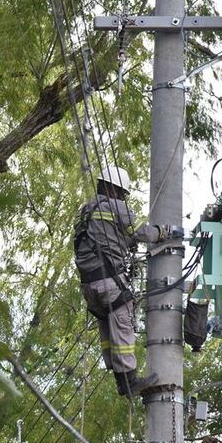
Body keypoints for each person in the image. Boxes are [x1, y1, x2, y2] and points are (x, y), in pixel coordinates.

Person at [73, 165, 179, 397]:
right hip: (108, 281)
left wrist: (124, 242)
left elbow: (101, 236)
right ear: (113, 189)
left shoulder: (85, 210)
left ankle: (118, 374)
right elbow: (143, 232)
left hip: (88, 286)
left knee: (106, 323)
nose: (122, 198)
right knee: (122, 321)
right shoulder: (117, 207)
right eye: (121, 193)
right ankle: (128, 381)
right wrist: (164, 232)